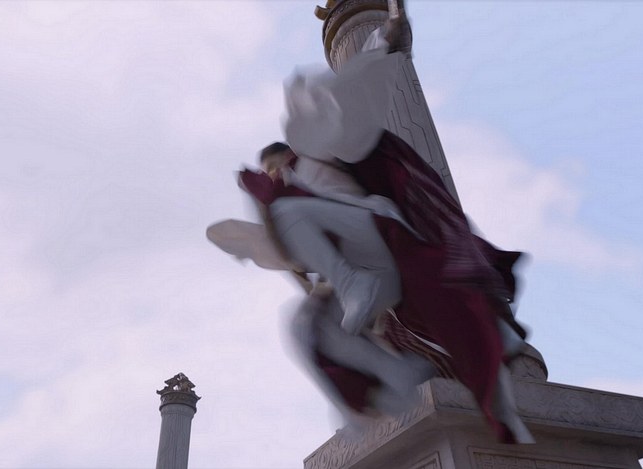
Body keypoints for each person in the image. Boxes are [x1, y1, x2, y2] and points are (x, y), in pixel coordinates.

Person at [210, 8, 534, 444]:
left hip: (383, 234)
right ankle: (392, 380)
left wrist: (384, 40)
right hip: (370, 274)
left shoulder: (321, 153)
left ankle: (360, 290)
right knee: (305, 326)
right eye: (269, 172)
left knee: (292, 215)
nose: (274, 176)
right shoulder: (286, 197)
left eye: (276, 166)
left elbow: (352, 95)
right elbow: (296, 254)